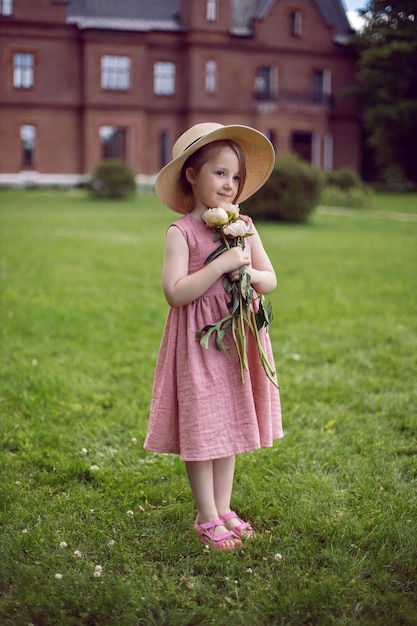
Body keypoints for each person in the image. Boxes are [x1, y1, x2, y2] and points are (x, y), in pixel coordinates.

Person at [144, 122, 283, 551]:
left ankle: (223, 509)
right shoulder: (181, 232)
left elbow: (270, 279)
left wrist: (248, 272)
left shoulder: (244, 224)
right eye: (219, 173)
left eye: (235, 176)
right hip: (200, 342)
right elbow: (175, 292)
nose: (229, 184)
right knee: (204, 425)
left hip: (238, 338)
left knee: (230, 422)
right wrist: (219, 267)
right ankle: (206, 517)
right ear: (192, 174)